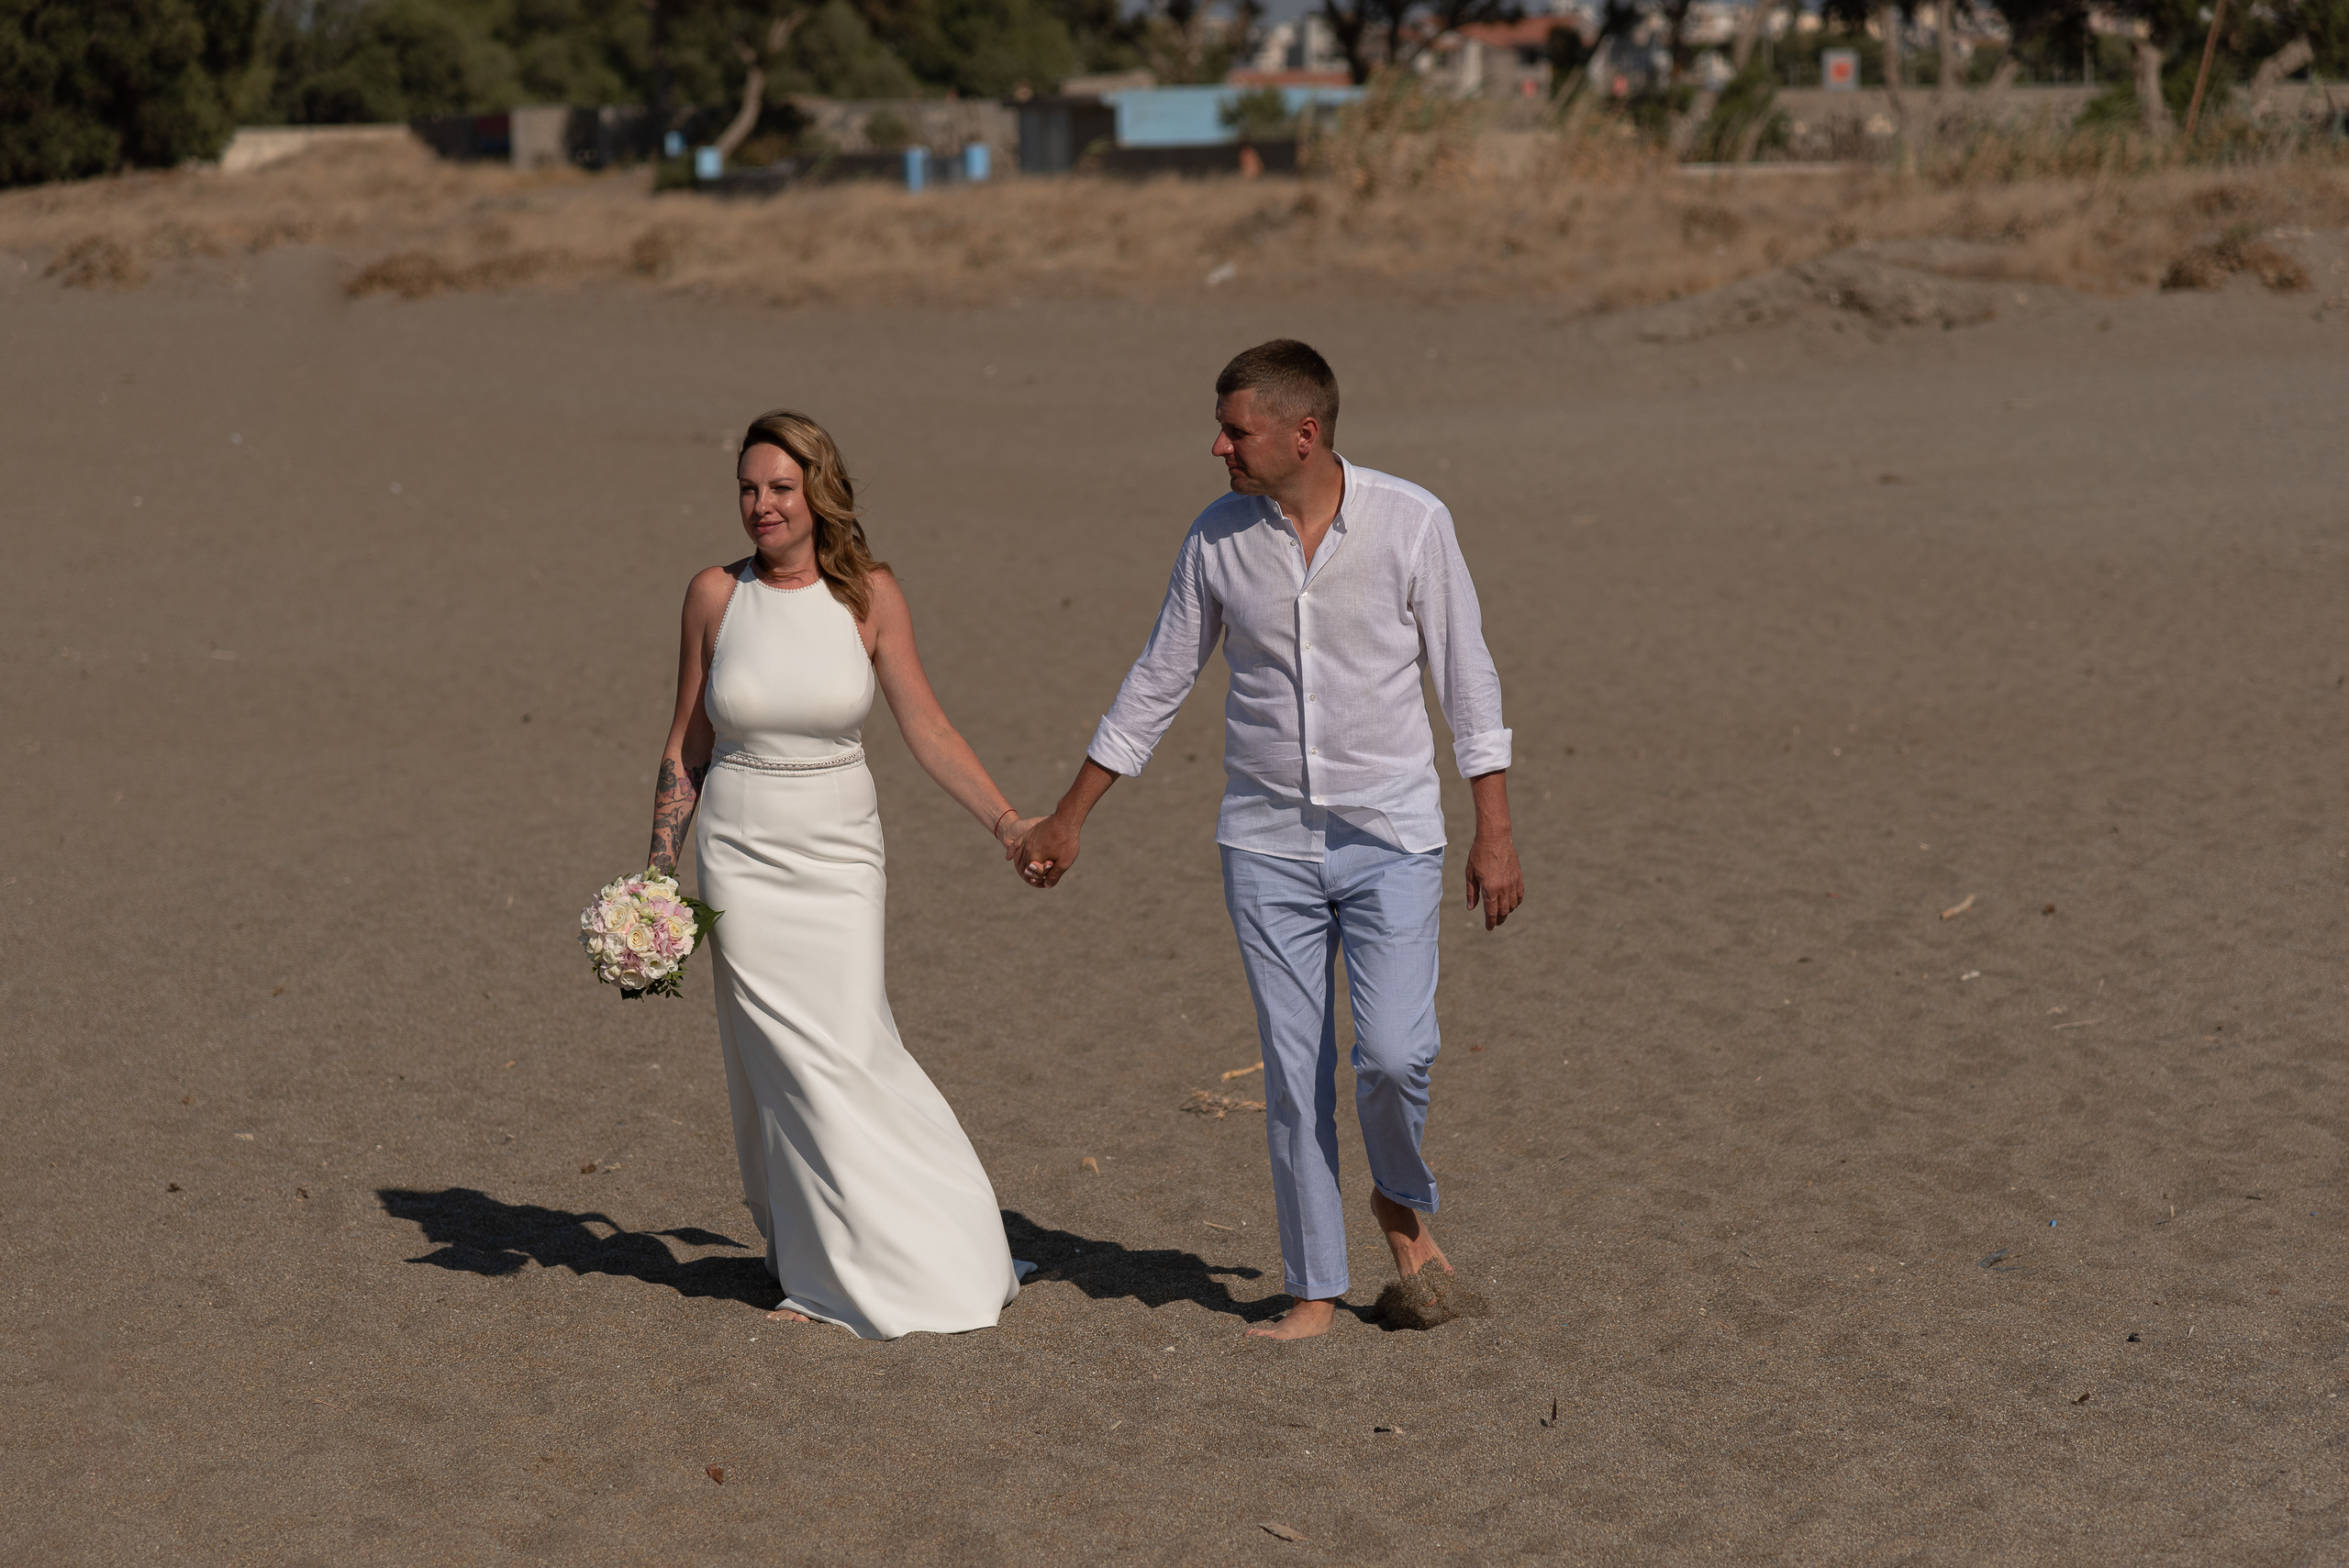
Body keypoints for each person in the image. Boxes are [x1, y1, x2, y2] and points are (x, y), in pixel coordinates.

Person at [1015, 340, 1523, 1340]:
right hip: (1263, 845)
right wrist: (1069, 813)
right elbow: (1156, 682)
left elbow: (1468, 679)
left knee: (1393, 1051)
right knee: (1293, 1073)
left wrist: (1493, 830)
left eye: (1236, 430)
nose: (1219, 447)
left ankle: (1397, 1198)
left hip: (1392, 836)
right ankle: (1314, 1288)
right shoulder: (1215, 539)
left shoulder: (1411, 522)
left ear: (1304, 432)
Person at [646, 408, 1039, 1340]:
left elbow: (927, 727)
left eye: (780, 488)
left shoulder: (869, 595)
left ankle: (944, 1244)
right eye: (748, 488)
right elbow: (685, 743)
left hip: (839, 852)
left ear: (817, 492)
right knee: (780, 1065)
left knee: (854, 1045)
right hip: (740, 855)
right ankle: (820, 1262)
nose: (761, 506)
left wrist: (1007, 822)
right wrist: (659, 872)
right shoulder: (713, 594)